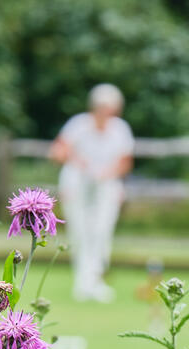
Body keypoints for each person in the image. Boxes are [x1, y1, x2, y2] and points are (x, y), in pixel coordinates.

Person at [50, 83, 134, 302]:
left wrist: (106, 173)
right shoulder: (78, 125)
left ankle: (95, 280)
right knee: (80, 233)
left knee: (101, 232)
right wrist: (79, 162)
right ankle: (83, 282)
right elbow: (58, 151)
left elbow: (125, 162)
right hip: (77, 186)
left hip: (105, 187)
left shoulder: (120, 129)